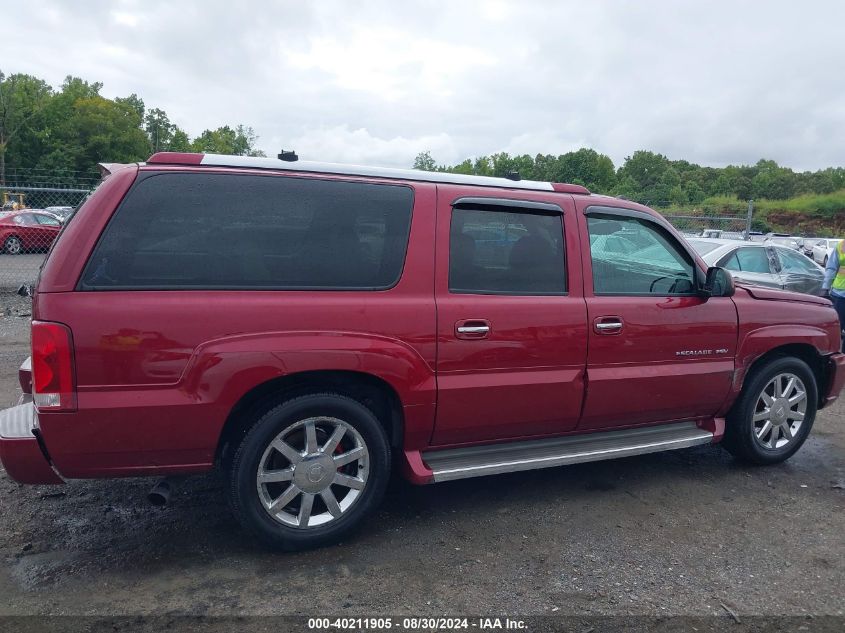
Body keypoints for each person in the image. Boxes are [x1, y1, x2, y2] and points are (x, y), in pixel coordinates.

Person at [821, 240, 845, 351]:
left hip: (839, 293)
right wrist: (825, 287)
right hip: (840, 294)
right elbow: (831, 267)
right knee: (837, 329)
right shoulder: (841, 245)